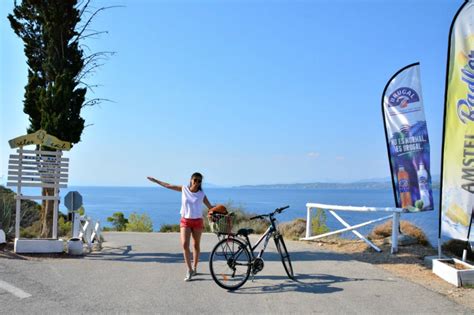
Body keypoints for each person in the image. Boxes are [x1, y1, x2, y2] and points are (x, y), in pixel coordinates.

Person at [147, 172, 213, 281]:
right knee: (184, 244)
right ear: (191, 179)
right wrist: (156, 181)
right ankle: (189, 269)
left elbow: (210, 207)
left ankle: (195, 268)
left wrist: (218, 211)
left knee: (196, 245)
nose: (196, 182)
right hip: (185, 220)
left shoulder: (201, 194)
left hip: (197, 221)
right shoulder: (184, 189)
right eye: (195, 180)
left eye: (199, 181)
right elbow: (168, 185)